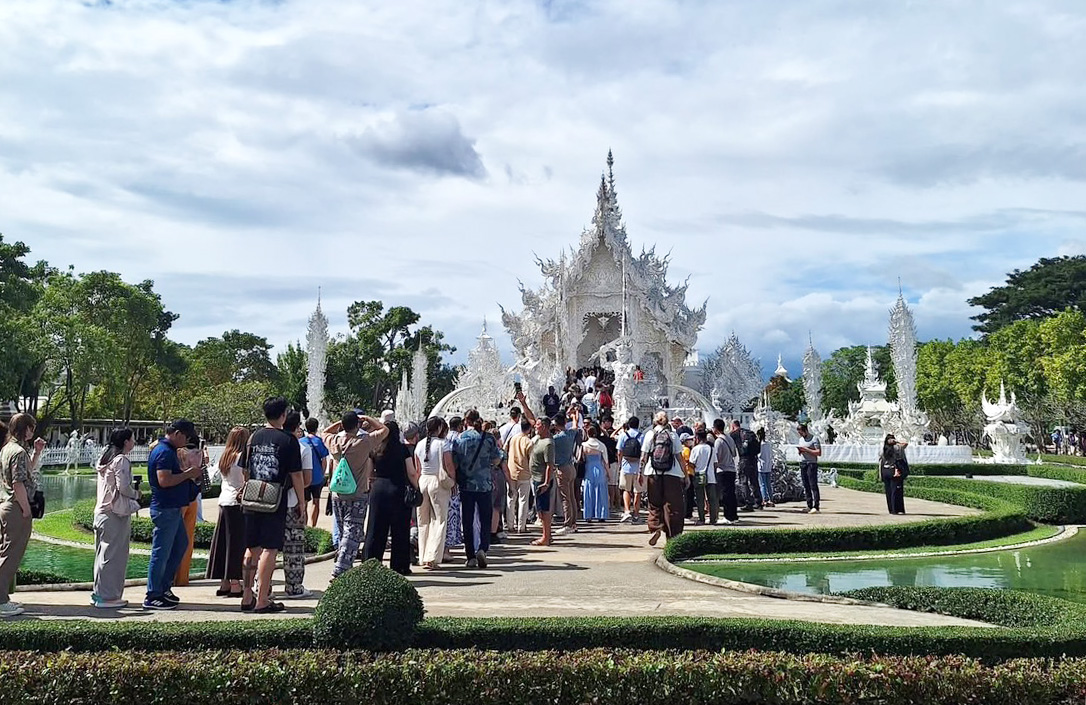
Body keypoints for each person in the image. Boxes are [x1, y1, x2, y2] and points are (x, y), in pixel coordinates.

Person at [239, 397, 305, 614]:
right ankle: (263, 598)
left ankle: (247, 595)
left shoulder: (254, 437)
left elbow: (246, 469)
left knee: (251, 548)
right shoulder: (288, 440)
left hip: (252, 496)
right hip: (274, 497)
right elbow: (296, 475)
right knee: (270, 547)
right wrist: (302, 503)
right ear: (283, 415)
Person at [144, 419, 203, 610]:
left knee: (180, 545)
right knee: (161, 551)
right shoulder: (164, 452)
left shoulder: (168, 451)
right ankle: (153, 594)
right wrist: (188, 474)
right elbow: (164, 480)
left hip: (172, 508)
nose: (186, 442)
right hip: (165, 508)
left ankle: (164, 587)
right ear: (177, 433)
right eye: (185, 437)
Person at [322, 411, 389, 579]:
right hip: (357, 492)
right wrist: (368, 420)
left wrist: (339, 423)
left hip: (337, 492)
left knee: (344, 530)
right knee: (352, 532)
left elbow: (324, 432)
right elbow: (384, 430)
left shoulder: (334, 441)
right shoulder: (363, 442)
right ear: (358, 425)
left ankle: (343, 563)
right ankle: (341, 568)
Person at [0, 414, 44, 618]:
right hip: (16, 507)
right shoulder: (17, 451)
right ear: (25, 429)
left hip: (6, 505)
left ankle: (3, 598)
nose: (32, 432)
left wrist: (36, 454)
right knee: (10, 556)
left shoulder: (8, 448)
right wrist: (26, 509)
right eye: (31, 428)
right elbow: (18, 484)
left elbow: (25, 474)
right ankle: (0, 601)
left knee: (6, 552)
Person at [92, 428, 141, 608]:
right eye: (132, 439)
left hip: (101, 512)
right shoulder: (120, 460)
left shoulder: (104, 459)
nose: (134, 442)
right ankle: (108, 596)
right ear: (126, 441)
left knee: (102, 555)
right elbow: (123, 488)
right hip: (114, 514)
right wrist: (137, 494)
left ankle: (99, 594)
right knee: (114, 556)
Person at [363, 421, 420, 575]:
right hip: (398, 489)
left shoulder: (375, 449)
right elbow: (412, 473)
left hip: (379, 489)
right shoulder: (403, 449)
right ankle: (399, 565)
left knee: (375, 528)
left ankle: (370, 563)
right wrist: (417, 488)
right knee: (400, 529)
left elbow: (369, 474)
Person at [206, 426, 249, 599]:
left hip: (224, 500)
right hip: (237, 502)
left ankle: (224, 581)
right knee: (236, 544)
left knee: (223, 542)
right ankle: (235, 583)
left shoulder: (225, 456)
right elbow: (245, 480)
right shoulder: (241, 458)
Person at [453, 410, 500, 568]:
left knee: (467, 519)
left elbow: (455, 461)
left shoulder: (461, 438)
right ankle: (483, 548)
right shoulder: (488, 438)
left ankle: (470, 555)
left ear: (466, 420)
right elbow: (496, 458)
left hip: (466, 485)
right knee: (485, 518)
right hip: (484, 484)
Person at [640, 411, 686, 546]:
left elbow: (643, 457)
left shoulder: (650, 434)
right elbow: (679, 457)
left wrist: (640, 474)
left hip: (653, 472)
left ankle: (655, 527)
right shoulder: (673, 435)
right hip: (672, 474)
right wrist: (685, 475)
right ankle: (672, 537)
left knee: (654, 503)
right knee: (673, 506)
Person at [282, 411, 314, 598]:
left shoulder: (267, 441)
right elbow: (307, 479)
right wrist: (302, 502)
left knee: (267, 548)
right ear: (297, 428)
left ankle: (262, 587)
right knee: (293, 546)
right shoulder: (302, 448)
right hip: (293, 501)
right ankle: (294, 586)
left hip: (268, 503)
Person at [416, 417, 455, 569]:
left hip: (423, 481)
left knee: (423, 521)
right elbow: (449, 465)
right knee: (439, 520)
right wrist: (453, 481)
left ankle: (423, 554)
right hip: (438, 482)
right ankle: (432, 557)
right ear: (439, 428)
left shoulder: (419, 444)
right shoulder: (443, 444)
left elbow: (417, 468)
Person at [173, 435, 207, 587]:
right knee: (187, 538)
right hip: (192, 496)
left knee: (174, 538)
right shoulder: (197, 454)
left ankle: (171, 576)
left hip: (178, 497)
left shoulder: (176, 452)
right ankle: (182, 577)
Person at [551, 412, 581, 536]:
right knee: (572, 497)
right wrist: (574, 415)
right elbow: (575, 425)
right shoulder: (570, 433)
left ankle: (568, 523)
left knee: (565, 498)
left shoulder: (556, 439)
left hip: (562, 468)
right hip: (571, 467)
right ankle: (573, 523)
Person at [529, 416, 556, 546]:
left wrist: (546, 482)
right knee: (540, 509)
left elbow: (549, 465)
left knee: (544, 510)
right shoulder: (539, 439)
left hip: (541, 480)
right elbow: (531, 420)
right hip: (535, 479)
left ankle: (545, 537)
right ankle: (547, 535)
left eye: (538, 425)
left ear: (544, 426)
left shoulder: (548, 443)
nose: (535, 426)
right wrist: (523, 403)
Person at [505, 418, 534, 534]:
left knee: (511, 499)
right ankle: (521, 527)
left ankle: (510, 525)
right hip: (524, 474)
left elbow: (505, 450)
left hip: (511, 472)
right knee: (523, 501)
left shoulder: (513, 438)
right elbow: (531, 459)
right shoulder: (529, 442)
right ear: (529, 429)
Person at [300, 418, 330, 528]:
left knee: (304, 503)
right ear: (316, 427)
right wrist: (322, 474)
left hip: (304, 478)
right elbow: (324, 461)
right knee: (316, 502)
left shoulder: (301, 441)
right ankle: (313, 526)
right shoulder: (320, 441)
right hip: (317, 477)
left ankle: (305, 526)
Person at [444, 416, 465, 562]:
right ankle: (446, 548)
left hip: (432, 481)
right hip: (450, 482)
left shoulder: (426, 443)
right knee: (450, 515)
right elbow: (455, 463)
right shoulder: (458, 439)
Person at [616, 416, 644, 523]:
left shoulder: (624, 435)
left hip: (626, 466)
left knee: (626, 490)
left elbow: (619, 451)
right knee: (638, 491)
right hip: (638, 468)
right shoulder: (642, 436)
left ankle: (627, 511)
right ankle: (636, 514)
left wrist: (620, 463)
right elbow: (643, 452)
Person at [731, 420, 763, 511]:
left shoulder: (734, 434)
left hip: (744, 460)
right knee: (754, 481)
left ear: (733, 426)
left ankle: (748, 502)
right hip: (753, 459)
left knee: (743, 481)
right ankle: (758, 502)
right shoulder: (749, 432)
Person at [580, 425, 609, 522]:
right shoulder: (601, 445)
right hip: (599, 469)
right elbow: (605, 461)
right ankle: (601, 514)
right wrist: (608, 473)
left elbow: (582, 458)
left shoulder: (584, 445)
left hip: (589, 468)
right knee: (601, 492)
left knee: (588, 491)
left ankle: (588, 515)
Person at [712, 419, 739, 525]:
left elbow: (717, 458)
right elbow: (734, 453)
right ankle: (733, 515)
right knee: (731, 493)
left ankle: (728, 516)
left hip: (722, 470)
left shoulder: (718, 441)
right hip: (731, 469)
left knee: (725, 495)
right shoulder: (729, 438)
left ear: (715, 428)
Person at [689, 429, 717, 525]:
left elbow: (691, 464)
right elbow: (716, 463)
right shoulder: (712, 449)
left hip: (699, 475)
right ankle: (713, 519)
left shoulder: (695, 449)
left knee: (700, 499)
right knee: (712, 499)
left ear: (697, 437)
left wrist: (698, 467)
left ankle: (702, 519)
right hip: (711, 476)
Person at [880, 434, 909, 515]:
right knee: (896, 491)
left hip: (885, 471)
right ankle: (896, 509)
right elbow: (905, 443)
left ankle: (891, 509)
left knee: (888, 491)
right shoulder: (897, 448)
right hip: (894, 471)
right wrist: (897, 441)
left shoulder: (883, 449)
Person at [796, 423, 822, 514]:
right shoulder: (801, 440)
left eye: (801, 432)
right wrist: (800, 451)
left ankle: (816, 506)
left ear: (806, 431)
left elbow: (818, 452)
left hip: (811, 464)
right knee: (806, 485)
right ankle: (809, 504)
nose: (800, 435)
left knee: (813, 485)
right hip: (803, 463)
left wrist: (806, 450)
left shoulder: (814, 439)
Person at [756, 427, 775, 508]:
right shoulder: (768, 444)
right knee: (768, 484)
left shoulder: (760, 445)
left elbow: (758, 455)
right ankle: (771, 499)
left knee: (762, 484)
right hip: (768, 465)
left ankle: (765, 499)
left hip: (761, 466)